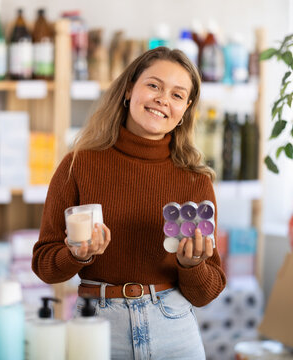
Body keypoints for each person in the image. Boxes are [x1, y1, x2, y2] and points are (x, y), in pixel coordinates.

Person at [32, 47, 226, 359]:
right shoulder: (78, 165)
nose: (163, 99)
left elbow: (206, 293)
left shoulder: (195, 181)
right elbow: (44, 265)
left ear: (185, 110)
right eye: (154, 85)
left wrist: (191, 265)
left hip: (173, 329)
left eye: (178, 95)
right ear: (128, 90)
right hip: (97, 326)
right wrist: (75, 255)